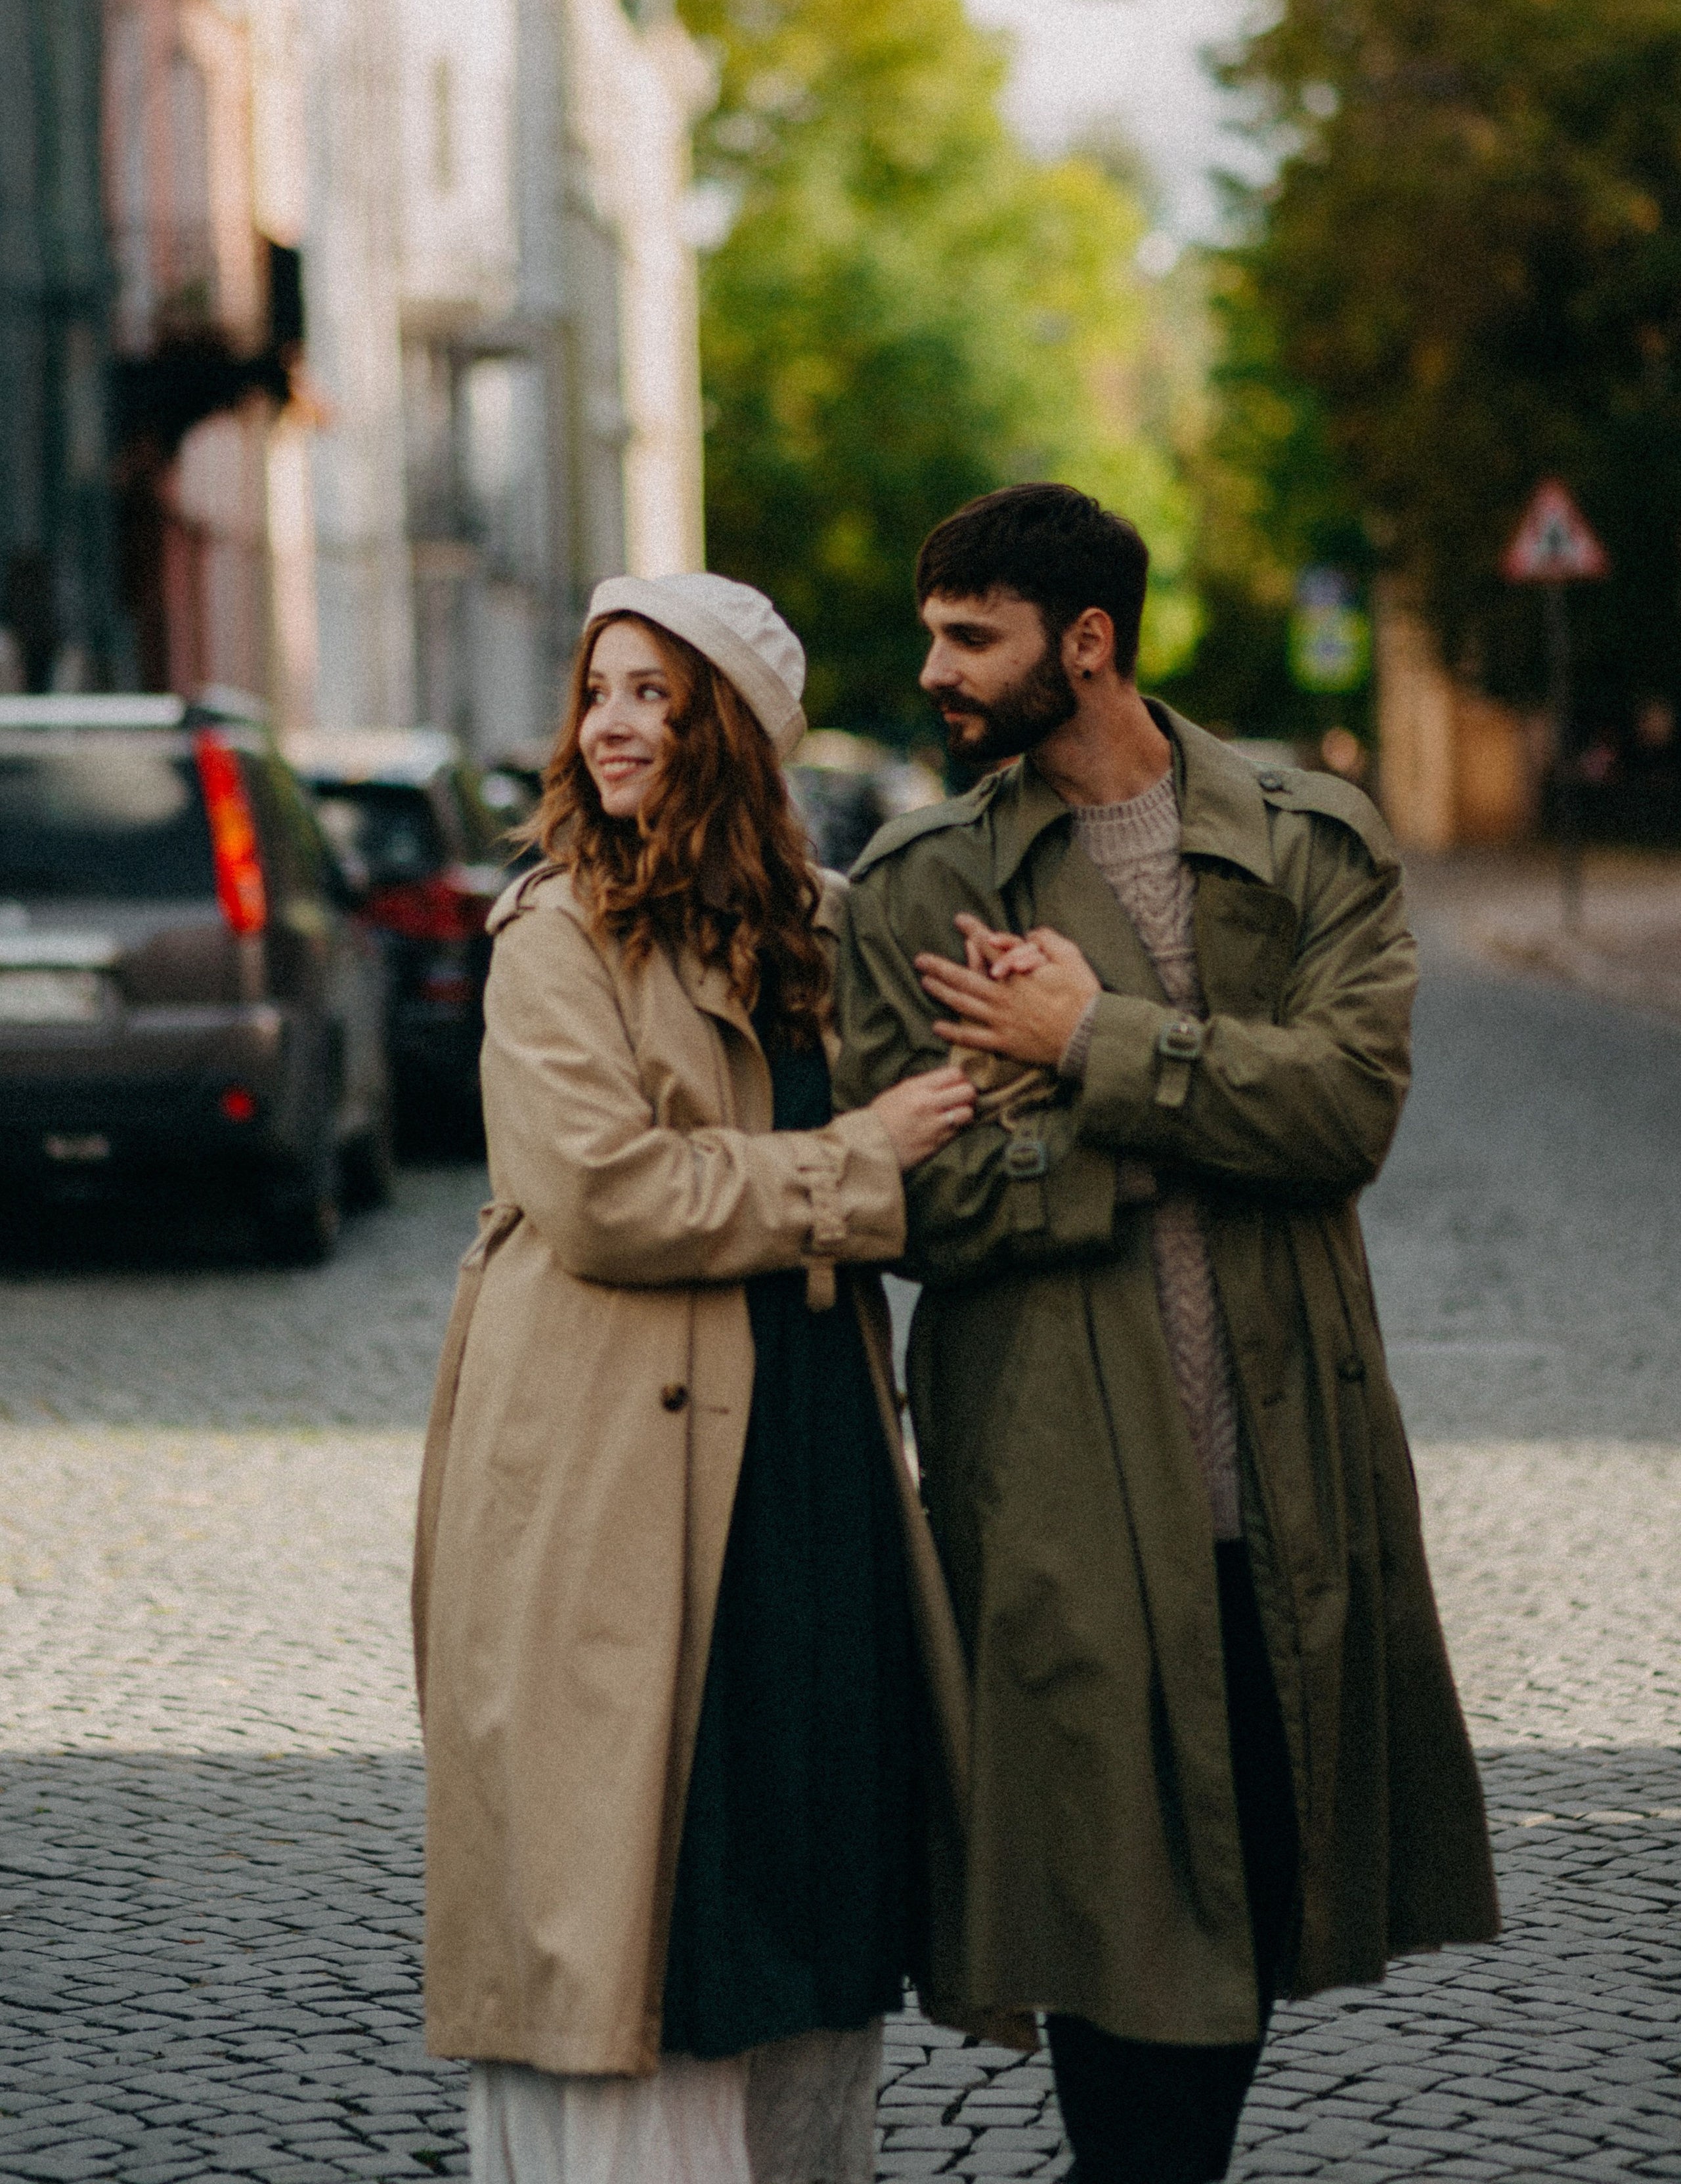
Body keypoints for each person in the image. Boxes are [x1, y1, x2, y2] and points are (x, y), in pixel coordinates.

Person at [835, 484, 1500, 2184]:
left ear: (1089, 641)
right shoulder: (923, 887)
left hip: (1284, 1489)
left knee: (1251, 1918)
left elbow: (1344, 1111)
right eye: (931, 633)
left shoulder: (1309, 842)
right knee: (1119, 1951)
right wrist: (1121, 1137)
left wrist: (1089, 1040)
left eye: (968, 635)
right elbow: (901, 1187)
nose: (936, 670)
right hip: (1056, 1495)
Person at [411, 571, 980, 2184]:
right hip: (602, 1466)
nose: (613, 722)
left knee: (800, 1864)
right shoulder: (552, 930)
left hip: (800, 1459)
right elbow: (604, 1192)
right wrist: (847, 1168)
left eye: (656, 694)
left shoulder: (824, 925)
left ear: (728, 730)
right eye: (600, 689)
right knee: (630, 1895)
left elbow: (939, 1130)